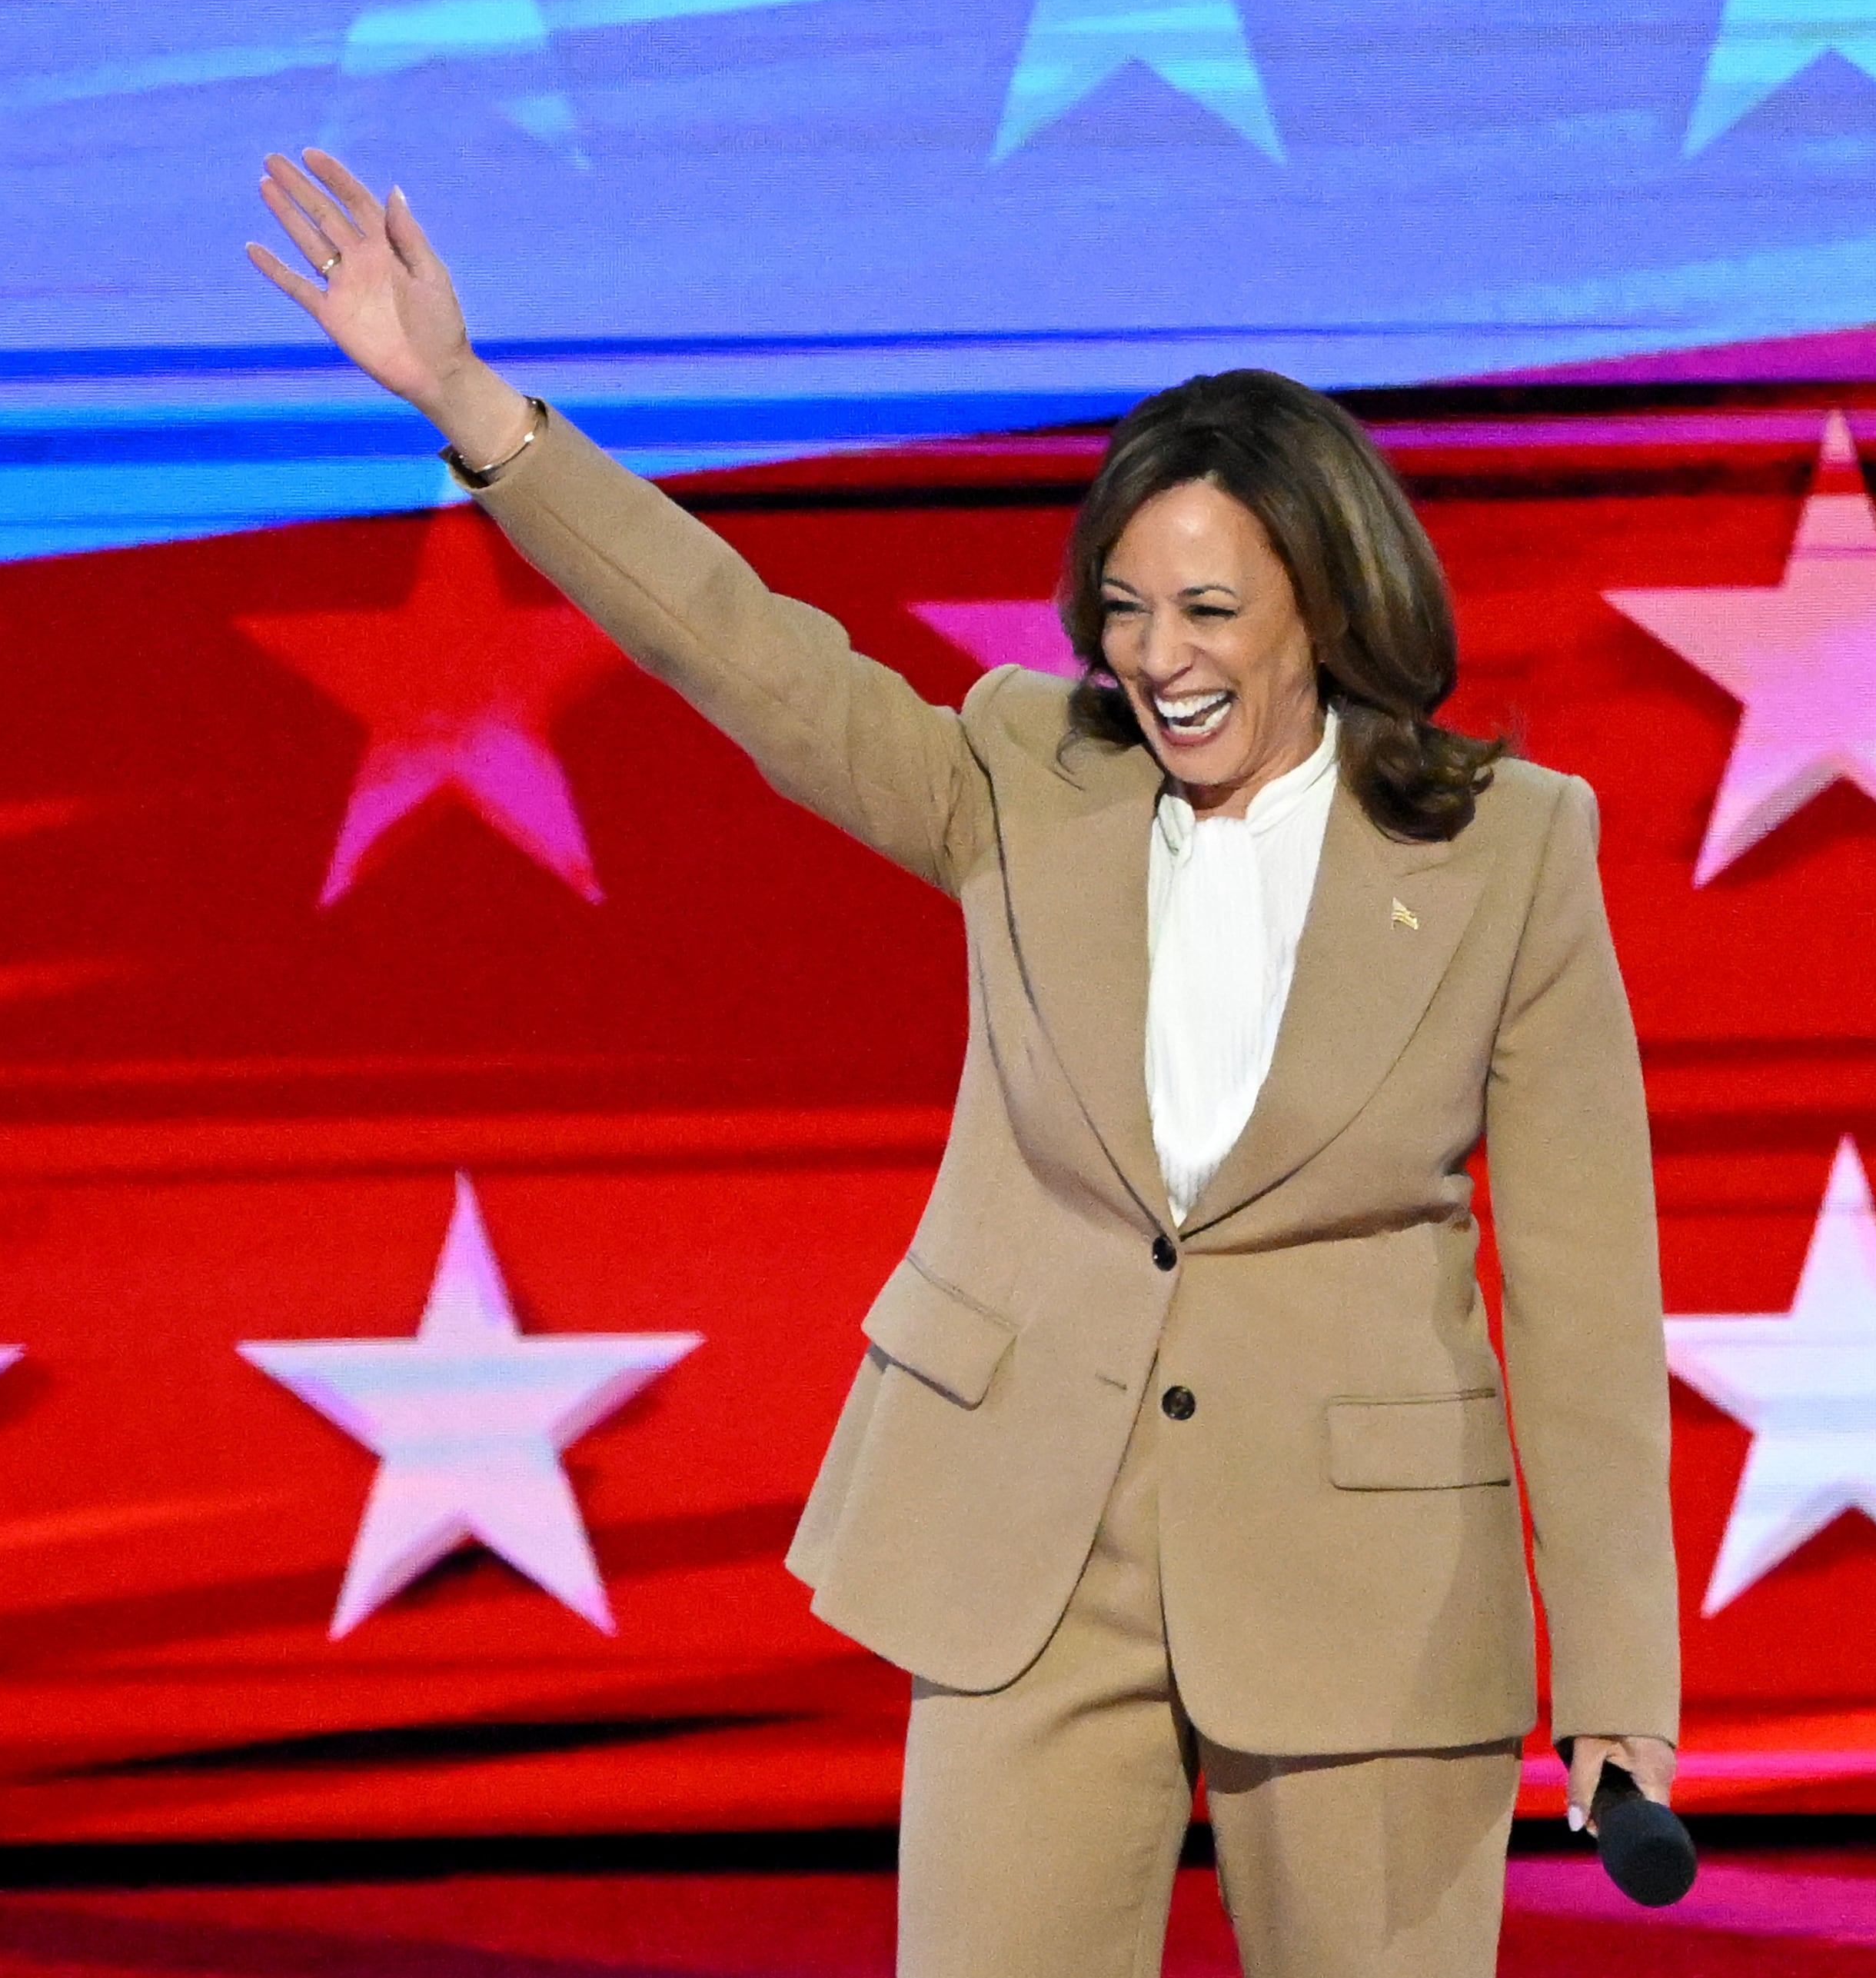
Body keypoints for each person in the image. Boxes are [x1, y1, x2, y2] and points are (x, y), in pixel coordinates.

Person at [247, 146, 1678, 1978]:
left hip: (1368, 1589)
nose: (1157, 659)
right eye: (1126, 607)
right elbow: (751, 657)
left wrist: (1622, 1677)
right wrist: (479, 412)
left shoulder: (1510, 849)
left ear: (1325, 600)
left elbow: (1584, 1286)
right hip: (1029, 1559)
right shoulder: (1026, 773)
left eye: (1212, 612)